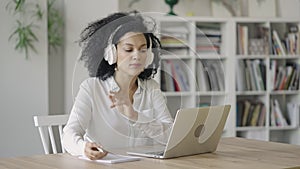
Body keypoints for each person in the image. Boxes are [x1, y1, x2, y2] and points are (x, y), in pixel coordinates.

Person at [62, 11, 173, 160]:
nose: (137, 55)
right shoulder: (91, 88)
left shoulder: (151, 88)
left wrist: (135, 116)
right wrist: (83, 148)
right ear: (111, 53)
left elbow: (171, 136)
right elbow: (69, 134)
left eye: (143, 49)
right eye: (128, 49)